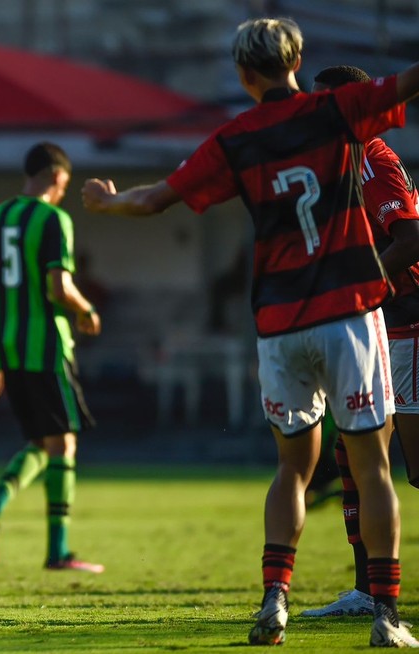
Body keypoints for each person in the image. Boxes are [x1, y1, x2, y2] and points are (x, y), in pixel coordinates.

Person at [81, 17, 419, 647]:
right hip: (347, 312)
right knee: (372, 467)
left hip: (278, 323)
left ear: (243, 75)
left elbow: (158, 198)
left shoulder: (236, 137)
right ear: (297, 59)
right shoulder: (338, 110)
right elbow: (405, 85)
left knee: (293, 469)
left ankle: (276, 600)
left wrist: (106, 201)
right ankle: (386, 616)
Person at [297, 65, 419, 620]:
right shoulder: (338, 163)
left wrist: (361, 290)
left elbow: (411, 238)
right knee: (355, 460)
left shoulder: (372, 156)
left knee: (413, 465)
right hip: (368, 327)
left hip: (404, 324)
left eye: (328, 105)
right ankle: (368, 590)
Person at [0, 142, 104, 572]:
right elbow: (58, 287)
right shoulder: (53, 219)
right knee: (63, 442)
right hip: (45, 345)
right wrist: (87, 311)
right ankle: (58, 551)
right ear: (56, 176)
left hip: (9, 347)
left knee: (41, 444)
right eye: (65, 183)